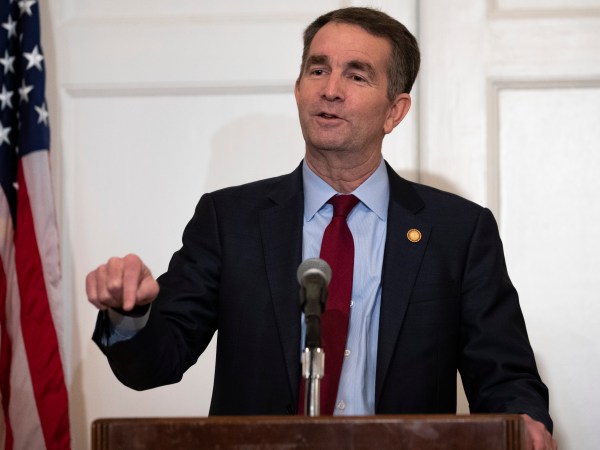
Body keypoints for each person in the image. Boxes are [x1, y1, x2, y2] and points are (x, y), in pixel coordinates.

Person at [86, 7, 556, 450]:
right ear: (298, 89)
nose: (330, 90)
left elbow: (504, 376)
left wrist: (523, 423)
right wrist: (132, 313)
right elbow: (154, 364)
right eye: (317, 70)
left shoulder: (458, 232)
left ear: (394, 111)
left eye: (356, 75)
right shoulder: (230, 221)